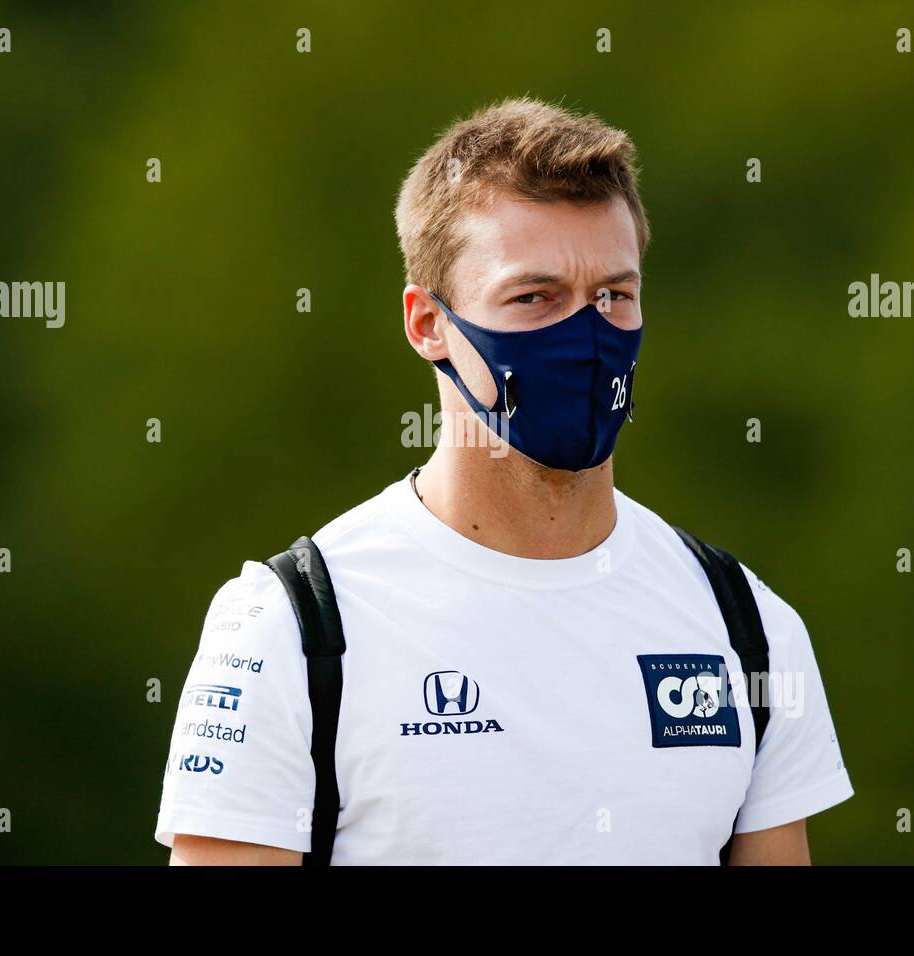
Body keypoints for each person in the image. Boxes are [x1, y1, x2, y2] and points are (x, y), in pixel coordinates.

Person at [155, 97, 853, 865]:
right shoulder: (292, 627)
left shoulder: (744, 624)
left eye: (614, 295)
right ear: (427, 323)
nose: (587, 335)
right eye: (535, 298)